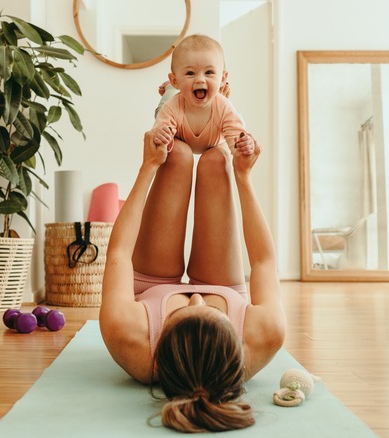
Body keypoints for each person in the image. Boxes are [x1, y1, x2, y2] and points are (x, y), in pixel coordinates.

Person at [99, 129, 286, 433]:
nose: (196, 297)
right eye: (209, 309)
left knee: (176, 156)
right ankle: (211, 115)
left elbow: (120, 252)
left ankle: (192, 112)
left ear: (159, 351)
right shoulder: (265, 334)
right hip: (224, 284)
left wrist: (147, 166)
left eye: (183, 311)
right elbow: (264, 261)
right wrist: (244, 177)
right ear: (237, 341)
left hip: (152, 284)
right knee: (217, 160)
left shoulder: (127, 334)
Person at [150, 34, 252, 155]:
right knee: (162, 109)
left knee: (230, 115)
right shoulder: (171, 107)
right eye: (190, 73)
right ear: (175, 80)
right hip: (177, 113)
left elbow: (237, 138)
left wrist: (243, 144)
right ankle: (170, 87)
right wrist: (160, 135)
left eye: (209, 72)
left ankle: (186, 81)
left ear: (223, 79)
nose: (200, 79)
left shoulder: (224, 107)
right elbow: (158, 134)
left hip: (216, 132)